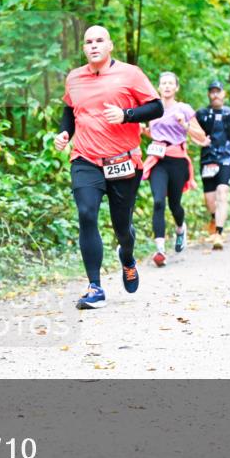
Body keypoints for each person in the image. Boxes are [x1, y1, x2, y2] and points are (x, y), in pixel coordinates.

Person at [55, 25, 163, 309]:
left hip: (122, 161)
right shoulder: (74, 78)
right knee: (86, 213)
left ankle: (127, 256)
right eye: (88, 42)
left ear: (110, 45)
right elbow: (70, 110)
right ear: (84, 48)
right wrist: (65, 133)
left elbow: (156, 108)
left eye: (99, 40)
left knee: (121, 226)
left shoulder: (131, 74)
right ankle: (95, 287)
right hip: (85, 158)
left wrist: (127, 114)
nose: (94, 45)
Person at [142, 72, 210, 267]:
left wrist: (184, 124)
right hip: (157, 160)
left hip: (177, 161)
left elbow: (201, 136)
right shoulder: (152, 109)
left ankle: (180, 228)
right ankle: (160, 250)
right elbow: (156, 133)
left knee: (174, 205)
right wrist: (144, 131)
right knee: (158, 202)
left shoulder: (184, 109)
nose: (167, 86)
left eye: (170, 83)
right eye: (163, 83)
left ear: (176, 88)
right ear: (158, 87)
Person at [194, 80, 230, 249]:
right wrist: (198, 141)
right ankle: (214, 218)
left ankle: (219, 234)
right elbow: (192, 132)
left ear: (224, 94)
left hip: (225, 158)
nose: (215, 95)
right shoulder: (201, 114)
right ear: (209, 95)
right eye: (212, 92)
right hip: (207, 159)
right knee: (210, 200)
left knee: (222, 192)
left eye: (218, 91)